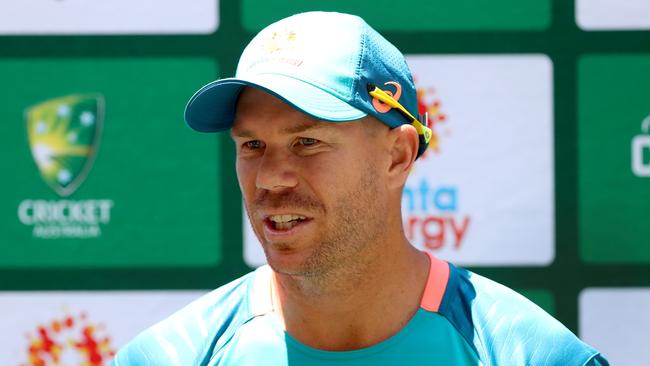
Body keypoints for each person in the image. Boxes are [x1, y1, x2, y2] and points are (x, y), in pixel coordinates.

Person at [112, 11, 608, 365]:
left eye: (307, 142)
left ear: (397, 155)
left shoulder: (533, 355)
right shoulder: (167, 356)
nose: (269, 178)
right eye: (252, 145)